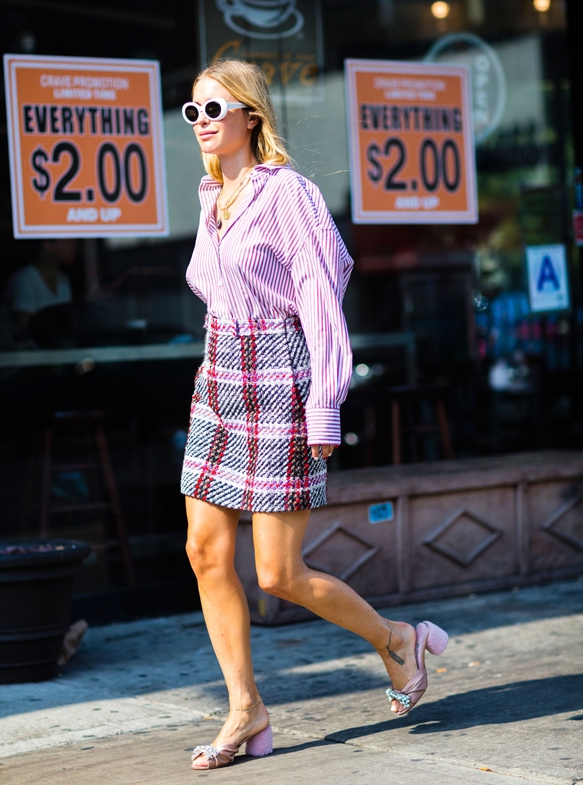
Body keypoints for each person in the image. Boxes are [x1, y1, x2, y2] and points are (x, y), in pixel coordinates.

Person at [180, 59, 448, 771]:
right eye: (194, 110)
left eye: (215, 108)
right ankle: (246, 707)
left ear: (250, 117)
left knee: (276, 572)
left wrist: (323, 407)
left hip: (278, 377)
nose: (202, 121)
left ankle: (395, 638)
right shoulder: (213, 196)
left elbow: (322, 301)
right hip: (219, 375)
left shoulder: (287, 194)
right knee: (204, 550)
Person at [0, 239, 75, 349]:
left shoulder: (63, 281)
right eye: (68, 240)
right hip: (25, 362)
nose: (74, 244)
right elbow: (26, 329)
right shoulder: (25, 279)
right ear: (47, 244)